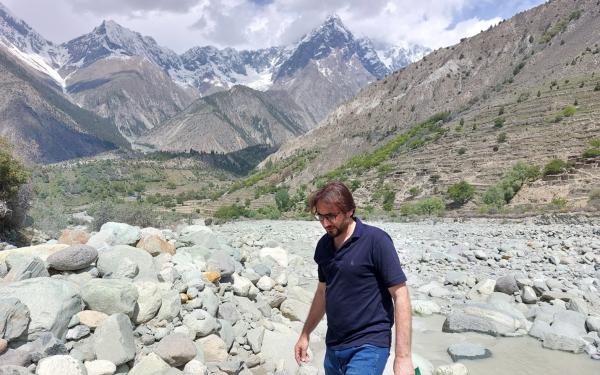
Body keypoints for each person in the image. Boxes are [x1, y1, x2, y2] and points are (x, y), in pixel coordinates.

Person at [294, 181, 413, 375]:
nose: (325, 223)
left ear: (350, 211)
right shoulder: (324, 246)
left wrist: (403, 358)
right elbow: (323, 292)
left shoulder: (376, 241)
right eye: (320, 216)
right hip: (334, 347)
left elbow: (400, 295)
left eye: (331, 216)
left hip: (369, 345)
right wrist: (305, 334)